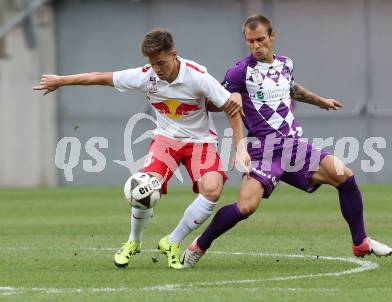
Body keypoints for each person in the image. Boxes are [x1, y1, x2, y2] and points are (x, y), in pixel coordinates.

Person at [182, 15, 392, 268]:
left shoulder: (286, 64)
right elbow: (214, 101)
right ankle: (199, 246)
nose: (256, 46)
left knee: (345, 177)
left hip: (295, 146)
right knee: (246, 207)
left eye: (260, 39)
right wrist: (228, 106)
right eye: (250, 41)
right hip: (263, 150)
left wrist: (320, 100)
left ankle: (360, 242)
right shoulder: (240, 72)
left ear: (272, 36)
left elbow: (291, 89)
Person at [33, 28, 250, 270]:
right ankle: (133, 241)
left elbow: (231, 106)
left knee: (212, 190)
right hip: (166, 141)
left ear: (174, 54)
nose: (157, 69)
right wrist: (61, 81)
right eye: (152, 63)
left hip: (200, 142)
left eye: (161, 62)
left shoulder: (198, 77)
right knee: (142, 189)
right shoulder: (146, 76)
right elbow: (102, 77)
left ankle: (172, 241)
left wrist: (240, 147)